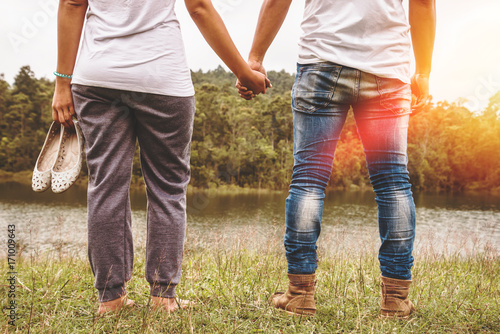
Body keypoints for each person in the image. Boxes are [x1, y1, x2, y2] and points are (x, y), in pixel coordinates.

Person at [52, 0, 269, 314]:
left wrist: (62, 82)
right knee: (168, 189)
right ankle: (163, 298)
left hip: (99, 78)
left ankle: (111, 299)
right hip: (162, 78)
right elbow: (199, 8)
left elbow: (72, 4)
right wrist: (244, 73)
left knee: (106, 186)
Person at [238, 0, 435, 317]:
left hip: (322, 62)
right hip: (387, 67)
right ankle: (396, 299)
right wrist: (423, 70)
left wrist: (255, 58)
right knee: (393, 184)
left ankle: (301, 295)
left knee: (308, 180)